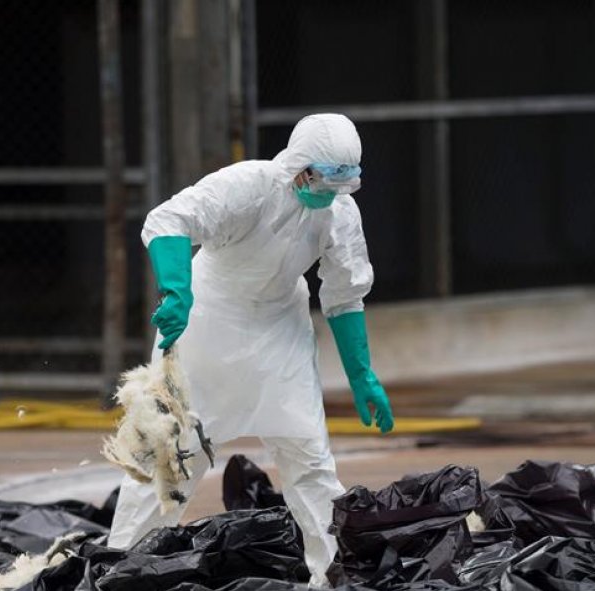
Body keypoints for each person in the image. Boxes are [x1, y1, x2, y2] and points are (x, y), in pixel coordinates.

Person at [108, 113, 395, 586]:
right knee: (169, 454)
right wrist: (177, 291)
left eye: (337, 187)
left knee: (309, 455)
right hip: (207, 323)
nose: (326, 194)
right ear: (298, 167)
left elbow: (344, 294)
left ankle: (336, 576)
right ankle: (119, 569)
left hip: (279, 330)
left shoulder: (338, 212)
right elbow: (169, 219)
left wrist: (363, 375)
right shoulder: (248, 186)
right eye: (320, 182)